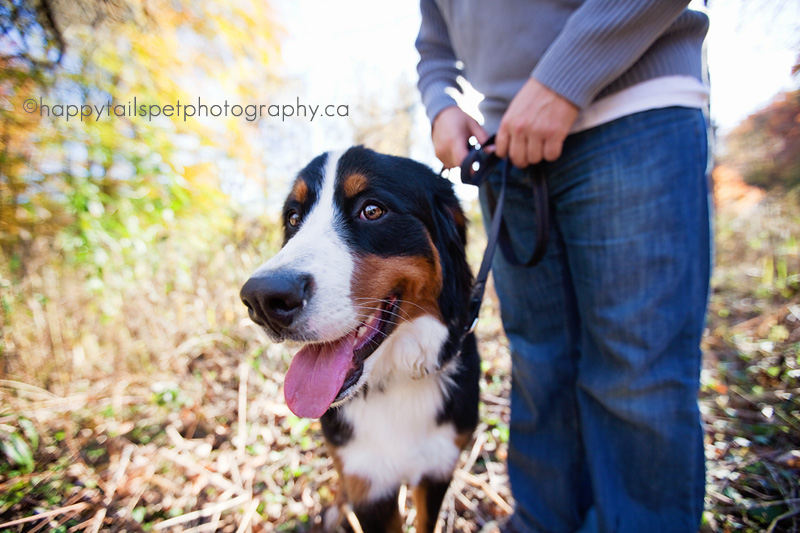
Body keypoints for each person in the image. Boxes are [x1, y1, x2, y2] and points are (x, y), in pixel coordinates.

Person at [416, 2, 712, 532]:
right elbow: (435, 46)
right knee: (538, 362)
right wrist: (443, 105)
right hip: (506, 151)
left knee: (636, 370)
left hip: (634, 114)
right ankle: (541, 521)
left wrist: (565, 77)